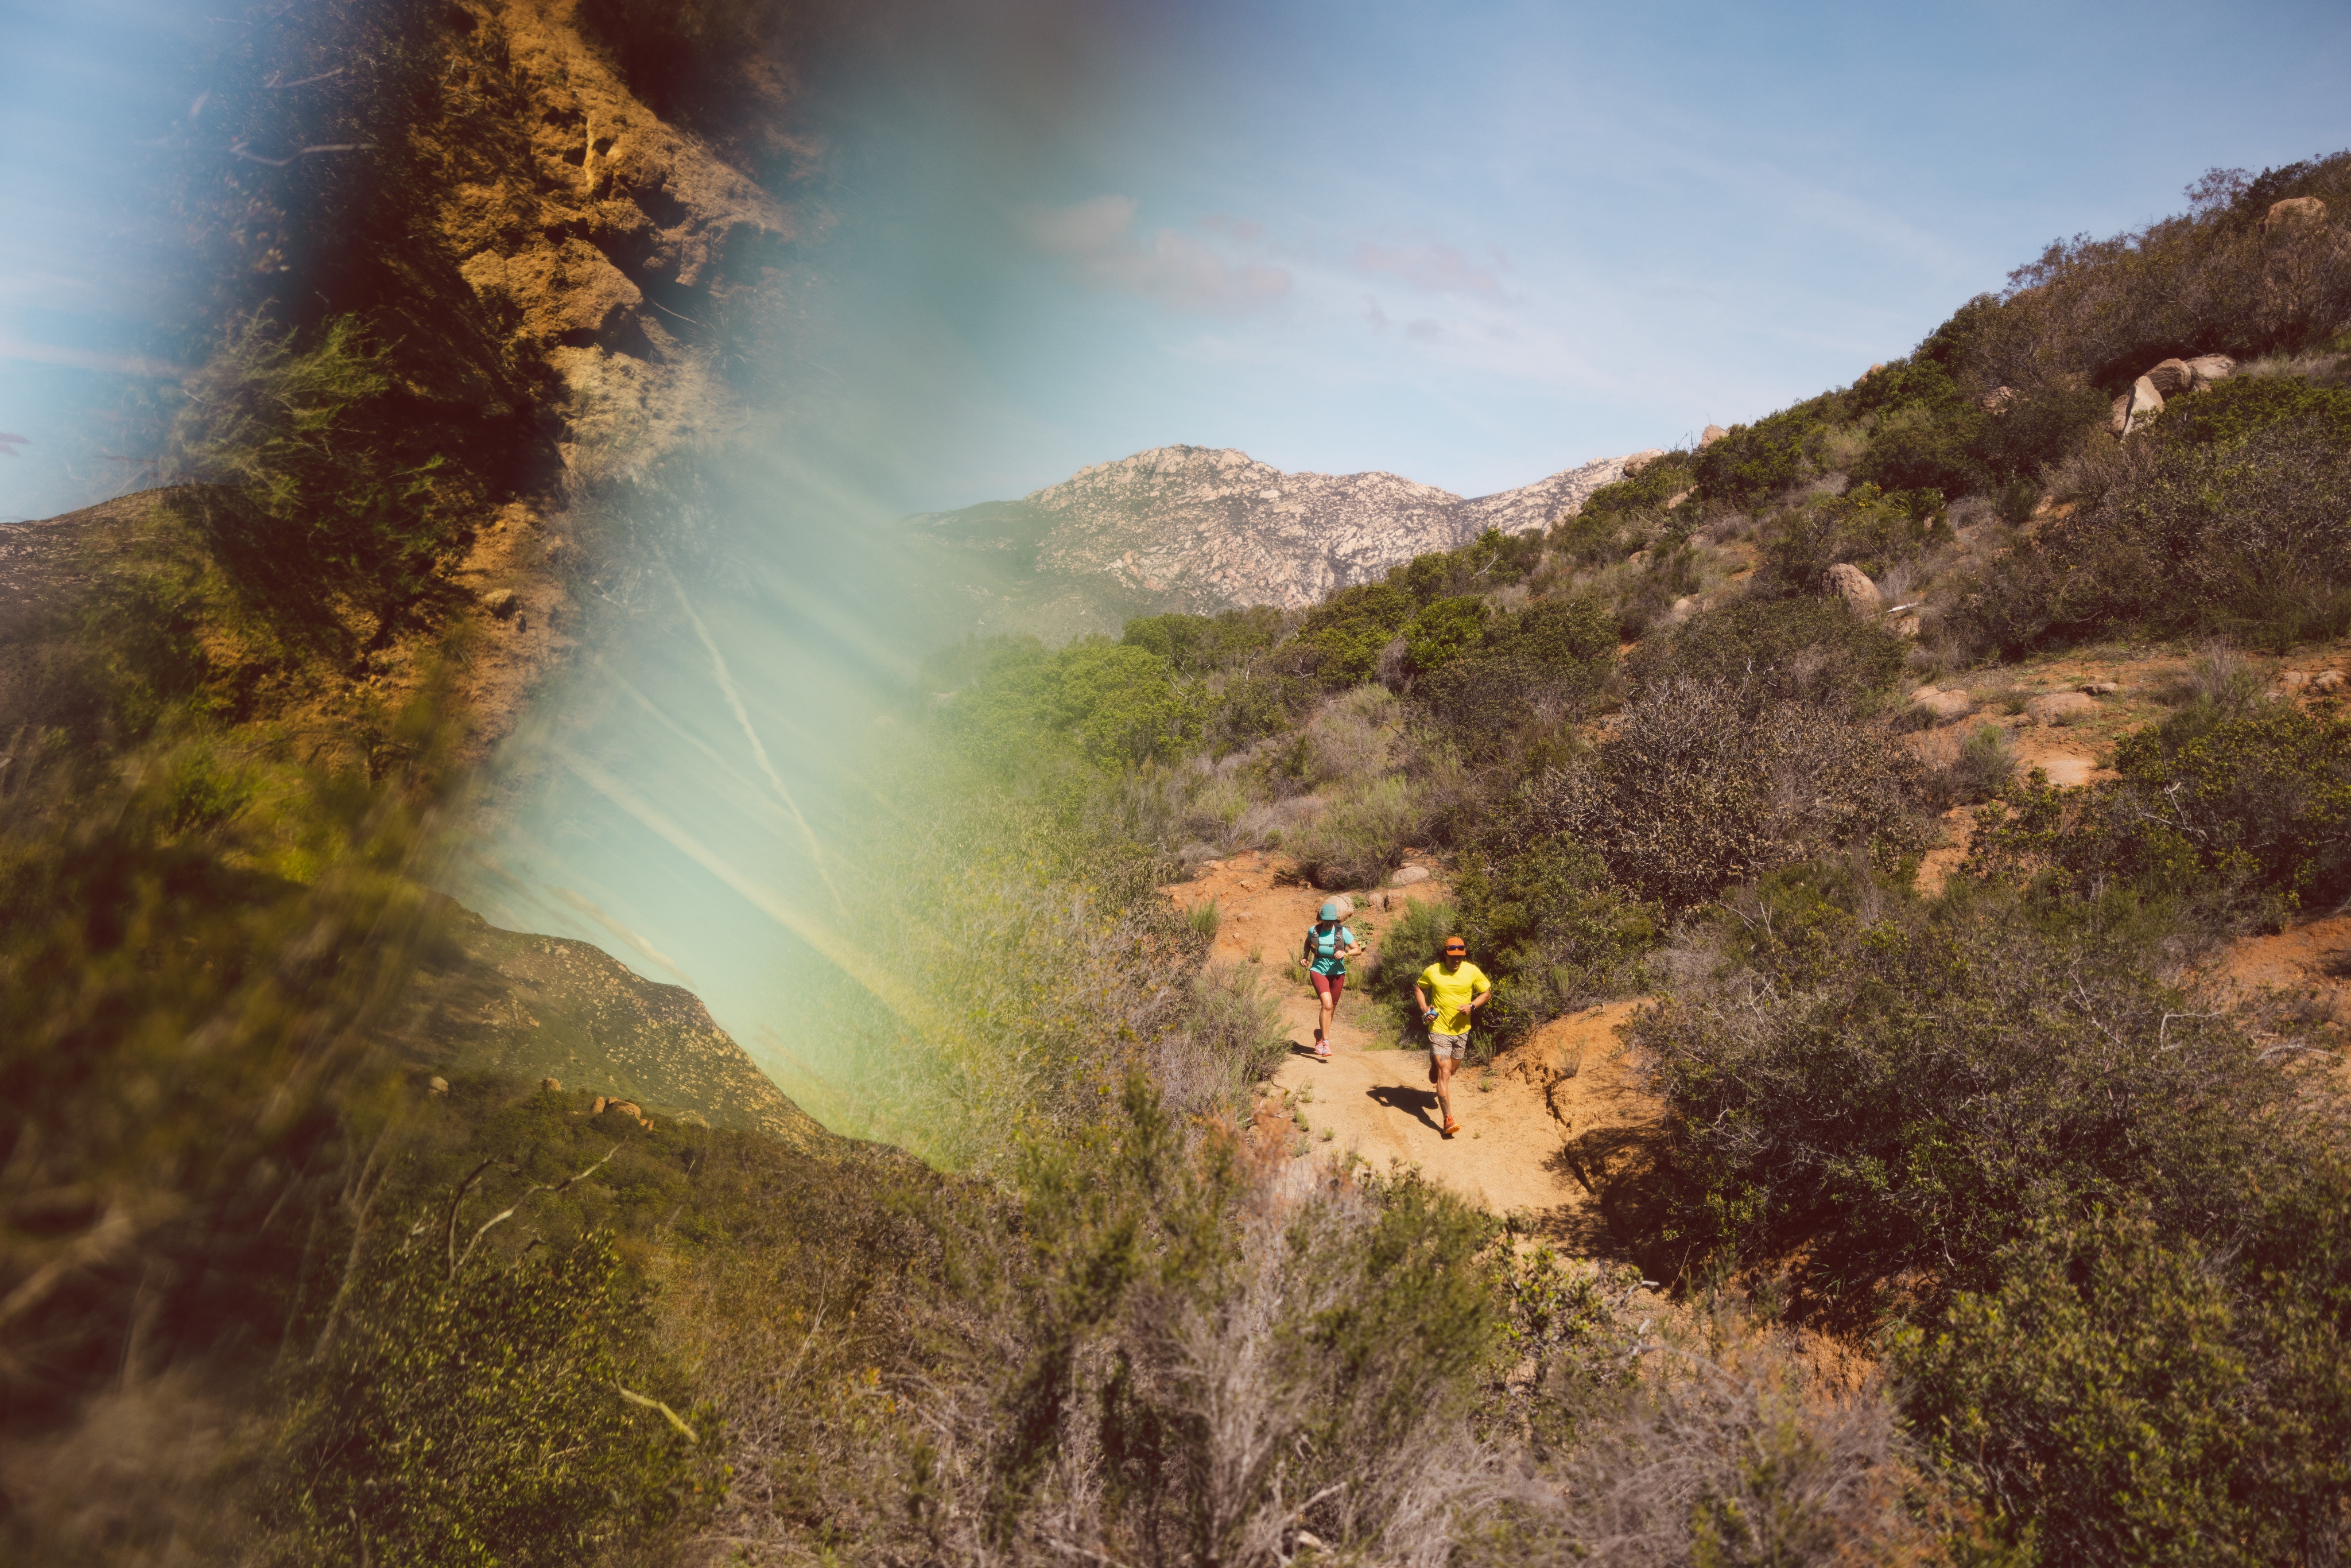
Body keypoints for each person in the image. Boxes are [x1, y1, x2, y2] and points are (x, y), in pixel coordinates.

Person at [1414, 935, 1491, 1139]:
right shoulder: (1433, 971)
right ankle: (1448, 1119)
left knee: (1453, 1069)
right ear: (1445, 954)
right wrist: (1424, 1008)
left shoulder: (1472, 971)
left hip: (1461, 1030)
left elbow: (1487, 992)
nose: (1457, 960)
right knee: (1445, 1072)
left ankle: (1435, 1065)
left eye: (1460, 956)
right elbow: (1419, 988)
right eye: (1453, 956)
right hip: (1438, 1028)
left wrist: (1472, 1005)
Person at [1301, 900, 1364, 1060]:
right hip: (1318, 971)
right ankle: (1325, 1043)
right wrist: (1304, 957)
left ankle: (1320, 1034)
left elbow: (1358, 950)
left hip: (1337, 973)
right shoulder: (1314, 931)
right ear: (1321, 919)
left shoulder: (1343, 932)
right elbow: (1308, 943)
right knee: (1327, 1005)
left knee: (1333, 1008)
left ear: (1336, 919)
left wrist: (1346, 953)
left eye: (1332, 920)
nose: (1328, 923)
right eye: (1326, 920)